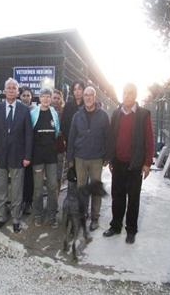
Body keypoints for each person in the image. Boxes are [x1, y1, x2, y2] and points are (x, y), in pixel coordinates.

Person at [103, 83, 154, 244]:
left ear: (135, 95)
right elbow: (111, 137)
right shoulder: (116, 114)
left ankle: (131, 230)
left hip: (135, 164)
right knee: (117, 196)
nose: (127, 96)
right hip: (118, 163)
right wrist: (110, 159)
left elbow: (149, 141)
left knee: (133, 198)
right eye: (125, 93)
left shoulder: (144, 115)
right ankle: (116, 226)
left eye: (130, 93)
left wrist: (147, 163)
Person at [0, 77, 33, 233]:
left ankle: (15, 217)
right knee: (0, 188)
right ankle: (0, 216)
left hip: (18, 157)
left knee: (16, 190)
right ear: (5, 90)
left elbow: (28, 135)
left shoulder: (24, 110)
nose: (12, 90)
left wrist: (27, 156)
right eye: (9, 87)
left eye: (14, 88)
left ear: (18, 92)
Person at [67, 86, 109, 231]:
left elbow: (107, 137)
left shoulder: (103, 115)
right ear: (83, 97)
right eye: (86, 95)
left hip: (97, 158)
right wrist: (70, 157)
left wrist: (107, 157)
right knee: (81, 189)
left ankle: (95, 218)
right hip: (80, 158)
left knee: (96, 188)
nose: (88, 97)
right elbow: (71, 137)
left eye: (91, 95)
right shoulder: (77, 116)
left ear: (95, 97)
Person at [30, 88, 60, 228]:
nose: (46, 99)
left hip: (51, 156)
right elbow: (29, 134)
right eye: (43, 96)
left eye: (49, 96)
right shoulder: (33, 113)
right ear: (39, 98)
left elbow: (57, 132)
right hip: (37, 157)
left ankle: (52, 214)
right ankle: (38, 214)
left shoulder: (54, 113)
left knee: (53, 186)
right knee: (38, 188)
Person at [19, 86, 34, 215]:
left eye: (28, 95)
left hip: (31, 149)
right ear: (20, 96)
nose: (26, 98)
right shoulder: (17, 110)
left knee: (29, 177)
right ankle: (19, 201)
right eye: (24, 95)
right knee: (18, 177)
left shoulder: (35, 111)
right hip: (18, 149)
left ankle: (28, 202)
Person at [52, 89, 66, 195]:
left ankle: (55, 199)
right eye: (54, 98)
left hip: (60, 148)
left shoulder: (64, 113)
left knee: (58, 175)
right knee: (49, 177)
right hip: (47, 149)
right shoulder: (45, 110)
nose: (56, 100)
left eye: (58, 98)